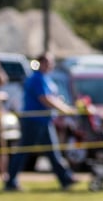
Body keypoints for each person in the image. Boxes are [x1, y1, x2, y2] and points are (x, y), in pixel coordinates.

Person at [5, 52, 78, 191]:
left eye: (51, 62)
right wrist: (65, 109)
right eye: (47, 62)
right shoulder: (37, 78)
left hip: (44, 120)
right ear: (40, 63)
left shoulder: (45, 78)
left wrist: (65, 108)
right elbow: (45, 98)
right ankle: (11, 182)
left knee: (52, 151)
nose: (50, 65)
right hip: (33, 120)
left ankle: (65, 178)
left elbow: (52, 97)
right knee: (23, 151)